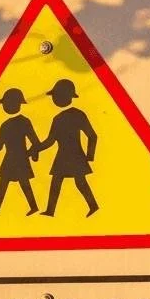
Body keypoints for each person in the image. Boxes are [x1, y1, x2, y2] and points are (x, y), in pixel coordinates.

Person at [38, 79, 99, 217]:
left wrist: (90, 156)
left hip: (75, 156)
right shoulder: (58, 118)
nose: (54, 98)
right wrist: (35, 149)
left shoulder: (77, 115)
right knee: (57, 183)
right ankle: (50, 210)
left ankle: (93, 206)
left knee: (80, 183)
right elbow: (50, 141)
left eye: (56, 95)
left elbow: (92, 136)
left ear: (66, 96)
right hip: (63, 156)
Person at [0, 88, 39, 216]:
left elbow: (35, 142)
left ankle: (34, 206)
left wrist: (32, 155)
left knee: (25, 184)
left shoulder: (25, 122)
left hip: (21, 159)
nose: (5, 106)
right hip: (9, 159)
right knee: (3, 183)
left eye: (7, 103)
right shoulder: (5, 125)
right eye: (4, 104)